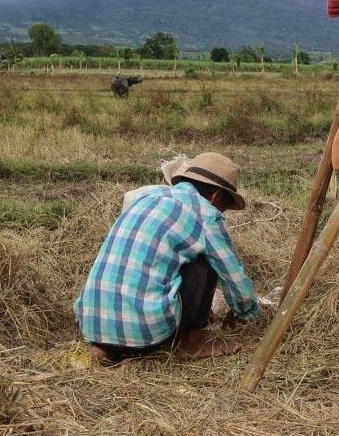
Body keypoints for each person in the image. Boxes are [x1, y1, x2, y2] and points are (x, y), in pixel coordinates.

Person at [74, 152, 260, 363]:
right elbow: (233, 274)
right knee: (205, 262)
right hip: (147, 334)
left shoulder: (146, 197)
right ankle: (191, 339)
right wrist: (245, 313)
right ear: (215, 196)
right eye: (223, 207)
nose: (221, 213)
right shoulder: (205, 213)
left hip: (91, 325)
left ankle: (107, 348)